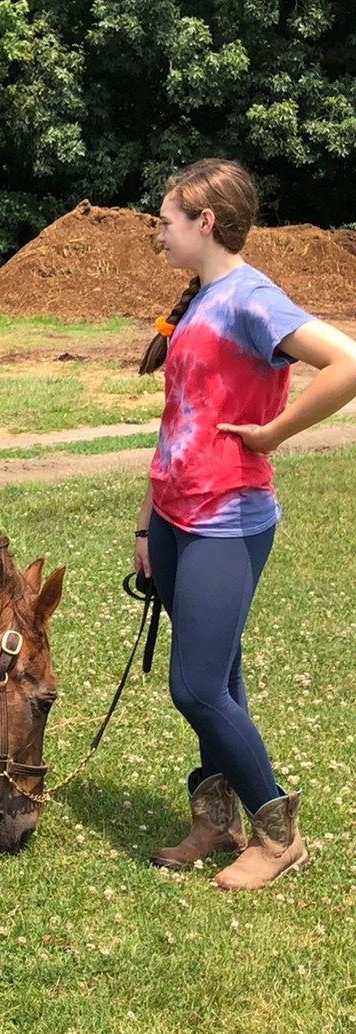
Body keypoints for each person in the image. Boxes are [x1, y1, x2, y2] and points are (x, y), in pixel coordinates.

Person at [137, 159, 356, 889]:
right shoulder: (200, 298)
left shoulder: (251, 298)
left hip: (226, 519)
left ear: (205, 223)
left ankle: (275, 828)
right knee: (221, 679)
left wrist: (275, 433)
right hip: (174, 515)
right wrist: (146, 525)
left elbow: (345, 362)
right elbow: (177, 421)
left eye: (166, 221)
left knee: (196, 687)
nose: (157, 234)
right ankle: (215, 817)